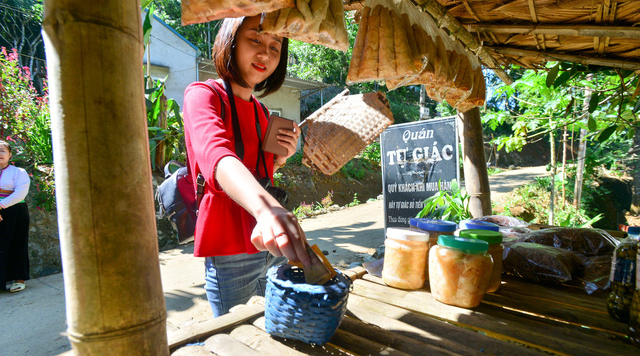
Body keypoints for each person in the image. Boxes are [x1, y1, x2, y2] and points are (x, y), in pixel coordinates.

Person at [182, 15, 311, 317]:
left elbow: (258, 176)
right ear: (231, 40)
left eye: (275, 47)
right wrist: (268, 211)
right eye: (255, 39)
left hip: (270, 244)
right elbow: (217, 156)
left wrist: (279, 160)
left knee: (274, 327)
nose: (265, 54)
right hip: (230, 248)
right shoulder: (203, 95)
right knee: (234, 337)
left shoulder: (264, 113)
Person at [0, 139, 31, 293]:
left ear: (10, 154)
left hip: (15, 211)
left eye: (2, 150)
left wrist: (1, 206)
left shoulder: (19, 173)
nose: (0, 154)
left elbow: (20, 193)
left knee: (17, 243)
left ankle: (19, 279)